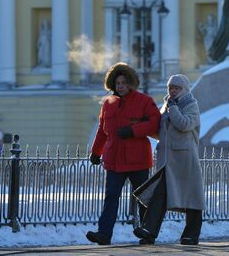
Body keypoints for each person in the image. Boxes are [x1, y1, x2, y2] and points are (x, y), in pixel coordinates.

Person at [86, 62, 161, 246]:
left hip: (137, 160)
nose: (120, 86)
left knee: (144, 198)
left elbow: (155, 124)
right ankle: (104, 234)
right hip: (114, 160)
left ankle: (148, 233)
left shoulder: (144, 101)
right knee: (111, 197)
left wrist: (133, 130)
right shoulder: (108, 103)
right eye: (117, 83)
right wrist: (96, 152)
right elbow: (102, 131)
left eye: (124, 83)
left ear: (131, 84)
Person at [133, 74, 206, 246]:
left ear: (184, 89)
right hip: (167, 160)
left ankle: (191, 235)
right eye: (170, 88)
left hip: (185, 159)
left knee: (192, 197)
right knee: (159, 194)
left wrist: (172, 109)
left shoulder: (191, 105)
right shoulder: (167, 105)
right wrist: (146, 126)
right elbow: (161, 131)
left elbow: (185, 124)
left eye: (176, 88)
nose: (172, 91)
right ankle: (149, 230)